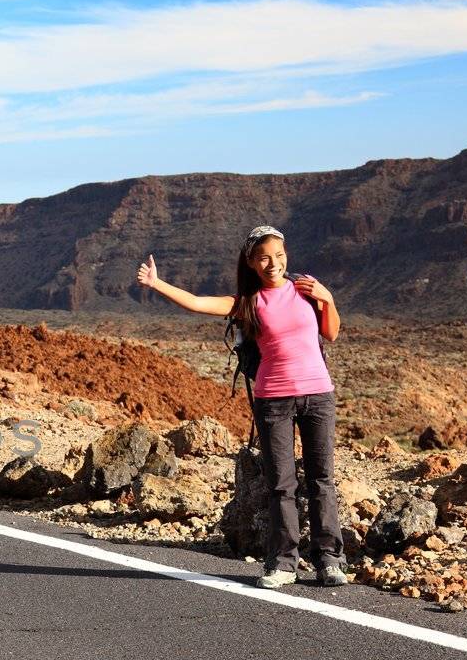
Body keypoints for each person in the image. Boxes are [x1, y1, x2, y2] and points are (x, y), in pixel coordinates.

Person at [135, 225, 347, 589]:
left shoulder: (305, 289)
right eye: (264, 257)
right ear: (250, 261)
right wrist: (157, 284)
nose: (273, 263)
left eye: (279, 255)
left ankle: (330, 560)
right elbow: (199, 302)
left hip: (318, 396)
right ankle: (283, 563)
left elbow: (331, 333)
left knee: (322, 480)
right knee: (282, 484)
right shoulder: (247, 303)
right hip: (273, 400)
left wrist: (327, 298)